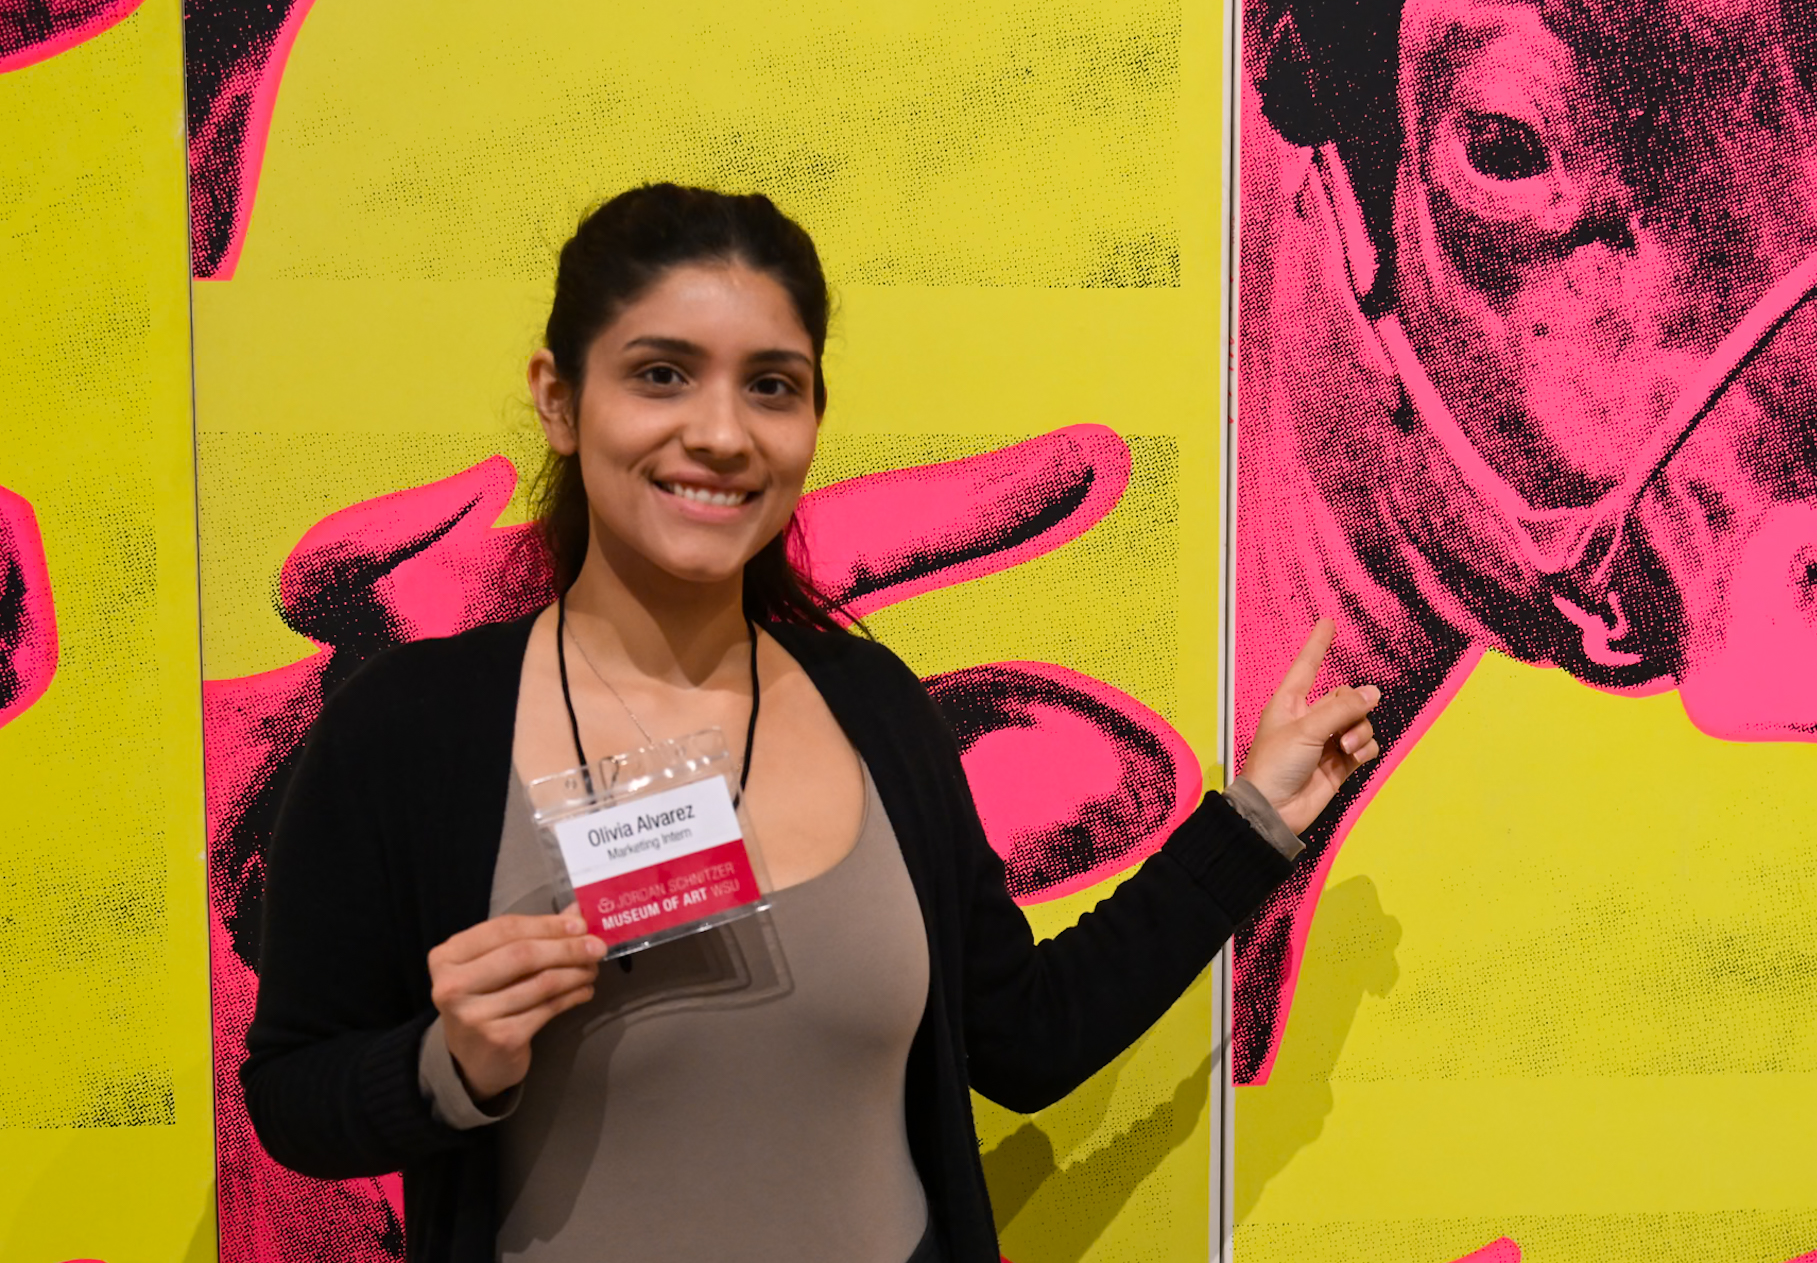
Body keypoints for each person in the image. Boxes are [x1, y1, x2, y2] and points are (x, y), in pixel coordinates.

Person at [241, 184, 1382, 1263]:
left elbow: (1027, 1038)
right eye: (661, 375)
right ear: (558, 398)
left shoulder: (872, 705)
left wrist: (1251, 821)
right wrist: (448, 1063)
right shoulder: (411, 727)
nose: (721, 433)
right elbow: (291, 1097)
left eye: (772, 386)